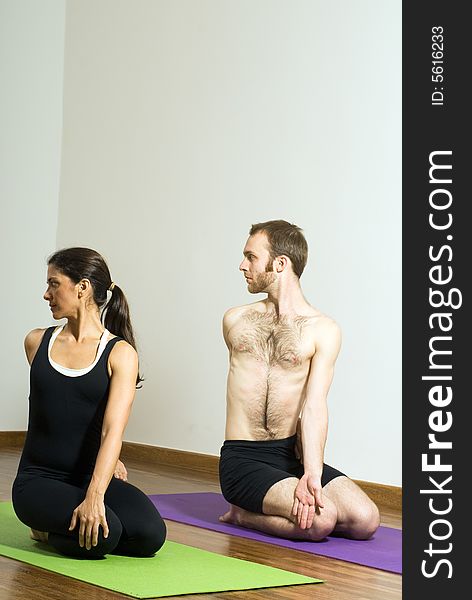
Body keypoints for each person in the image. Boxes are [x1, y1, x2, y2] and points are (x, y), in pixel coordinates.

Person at [219, 220, 380, 541]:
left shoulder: (324, 329)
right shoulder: (235, 320)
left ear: (280, 263)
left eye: (251, 257)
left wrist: (312, 472)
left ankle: (282, 497)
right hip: (243, 458)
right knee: (321, 522)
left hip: (289, 454)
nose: (242, 265)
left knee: (366, 520)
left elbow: (316, 405)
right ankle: (242, 514)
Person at [12, 247, 166, 558]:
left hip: (86, 478)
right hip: (37, 481)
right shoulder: (37, 342)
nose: (46, 294)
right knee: (106, 536)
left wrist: (96, 493)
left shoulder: (120, 354)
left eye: (54, 284)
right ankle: (43, 524)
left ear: (82, 287)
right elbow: (62, 410)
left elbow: (112, 431)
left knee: (150, 535)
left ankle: (53, 526)